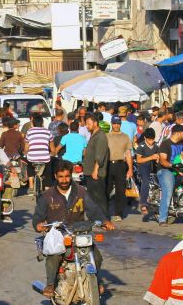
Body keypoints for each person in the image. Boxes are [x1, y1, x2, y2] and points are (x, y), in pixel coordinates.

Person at [32, 160, 114, 298]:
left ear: (71, 175)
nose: (64, 180)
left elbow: (93, 210)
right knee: (54, 256)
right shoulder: (47, 196)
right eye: (61, 177)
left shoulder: (81, 192)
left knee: (97, 257)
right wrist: (38, 224)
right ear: (55, 176)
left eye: (67, 176)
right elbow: (38, 216)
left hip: (79, 234)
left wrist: (104, 221)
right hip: (57, 235)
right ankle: (51, 284)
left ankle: (94, 280)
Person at [156, 124, 183, 226]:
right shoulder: (165, 144)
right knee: (168, 191)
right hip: (165, 171)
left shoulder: (181, 144)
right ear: (178, 133)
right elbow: (163, 161)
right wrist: (174, 166)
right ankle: (162, 219)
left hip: (178, 170)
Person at [82, 113, 109, 216]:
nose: (87, 126)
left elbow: (100, 154)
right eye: (86, 124)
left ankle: (104, 219)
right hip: (89, 171)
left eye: (89, 124)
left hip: (96, 172)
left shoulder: (101, 136)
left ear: (95, 123)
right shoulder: (93, 134)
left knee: (99, 197)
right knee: (92, 196)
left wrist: (95, 170)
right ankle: (94, 217)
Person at [106, 116, 133, 221]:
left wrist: (130, 169)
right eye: (114, 123)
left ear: (120, 124)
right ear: (111, 124)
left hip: (120, 165)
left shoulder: (125, 137)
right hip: (108, 164)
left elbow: (128, 153)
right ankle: (105, 212)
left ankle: (118, 213)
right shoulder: (106, 136)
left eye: (118, 123)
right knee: (106, 189)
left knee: (120, 190)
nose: (116, 125)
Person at [24, 114, 55, 193]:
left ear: (33, 123)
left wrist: (25, 152)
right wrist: (53, 153)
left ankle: (31, 185)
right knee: (48, 171)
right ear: (42, 123)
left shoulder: (29, 131)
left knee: (29, 165)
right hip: (45, 158)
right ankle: (47, 188)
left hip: (32, 158)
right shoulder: (47, 132)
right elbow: (52, 146)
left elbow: (26, 146)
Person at [136, 128, 159, 215]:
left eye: (153, 139)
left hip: (153, 167)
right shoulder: (141, 146)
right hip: (143, 167)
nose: (151, 141)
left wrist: (157, 159)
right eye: (149, 139)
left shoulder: (156, 146)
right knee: (145, 181)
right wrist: (151, 157)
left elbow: (158, 156)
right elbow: (139, 160)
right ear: (145, 138)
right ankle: (143, 203)